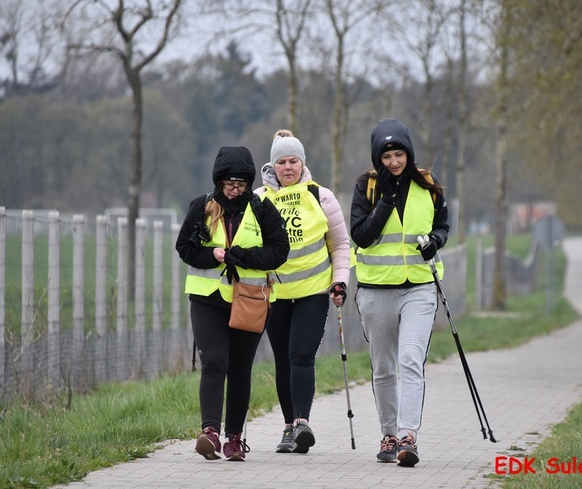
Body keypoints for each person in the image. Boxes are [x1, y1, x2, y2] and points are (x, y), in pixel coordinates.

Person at [175, 146, 290, 462]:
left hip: (251, 299)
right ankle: (209, 432)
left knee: (240, 369)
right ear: (218, 181)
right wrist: (210, 255)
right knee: (214, 362)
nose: (235, 190)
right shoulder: (202, 206)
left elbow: (280, 251)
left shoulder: (262, 209)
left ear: (249, 182)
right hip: (207, 299)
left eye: (241, 184)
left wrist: (244, 256)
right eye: (229, 184)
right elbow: (184, 247)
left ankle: (235, 439)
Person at [350, 118, 450, 468]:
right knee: (383, 366)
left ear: (409, 153)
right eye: (387, 155)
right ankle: (388, 434)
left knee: (410, 358)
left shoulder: (428, 184)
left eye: (399, 154)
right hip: (377, 290)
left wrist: (435, 241)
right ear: (378, 158)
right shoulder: (367, 186)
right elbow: (360, 235)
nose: (394, 161)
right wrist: (386, 203)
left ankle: (409, 436)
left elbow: (442, 225)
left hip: (420, 287)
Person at [255, 130, 351, 454]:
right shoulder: (259, 200)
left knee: (301, 355)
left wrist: (340, 282)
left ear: (302, 163)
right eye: (281, 162)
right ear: (272, 166)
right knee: (283, 360)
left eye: (293, 161)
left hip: (313, 292)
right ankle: (287, 427)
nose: (287, 167)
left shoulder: (321, 196)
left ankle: (301, 423)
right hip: (276, 295)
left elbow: (340, 245)